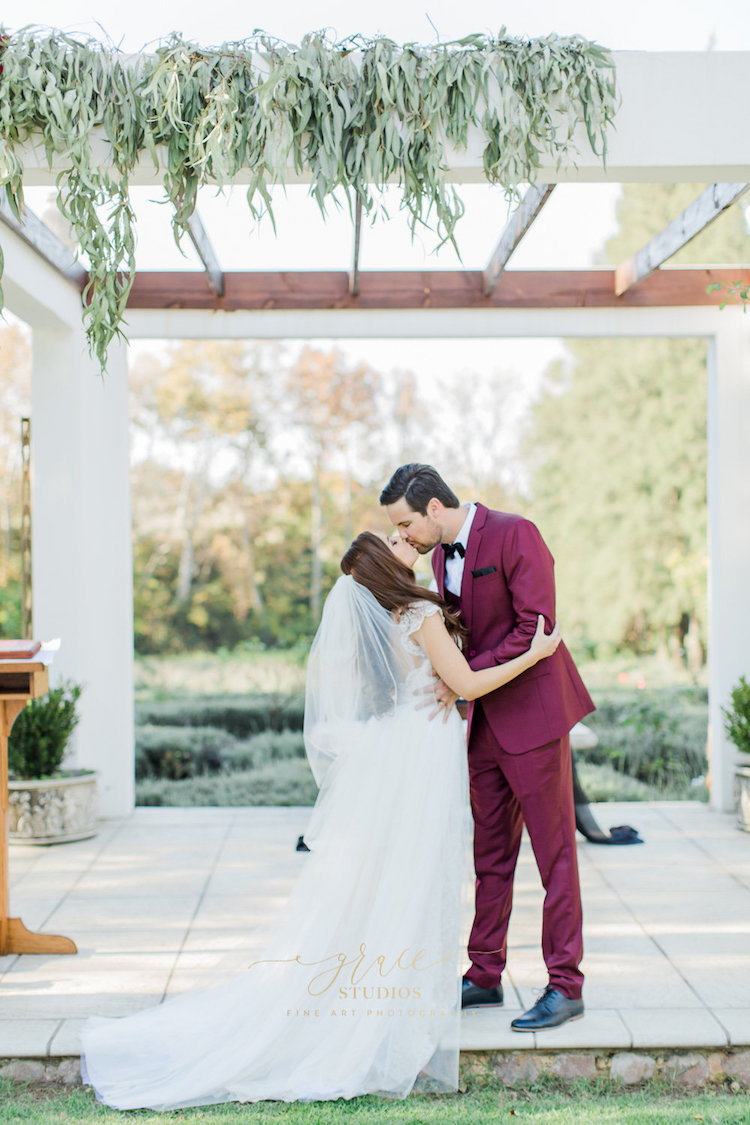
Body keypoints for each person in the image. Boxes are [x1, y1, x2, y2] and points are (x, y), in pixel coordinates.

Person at [80, 532, 560, 1110]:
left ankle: (388, 998)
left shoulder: (387, 616)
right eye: (396, 539)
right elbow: (469, 685)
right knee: (412, 875)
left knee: (391, 879)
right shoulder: (419, 612)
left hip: (399, 746)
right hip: (420, 752)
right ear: (387, 562)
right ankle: (388, 1011)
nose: (405, 539)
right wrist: (535, 653)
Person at [380, 465, 595, 1032]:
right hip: (480, 725)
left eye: (405, 523)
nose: (402, 537)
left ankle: (566, 986)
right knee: (490, 857)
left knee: (555, 857)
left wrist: (461, 678)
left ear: (432, 509)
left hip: (535, 720)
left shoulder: (515, 533)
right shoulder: (435, 558)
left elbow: (537, 629)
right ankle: (483, 976)